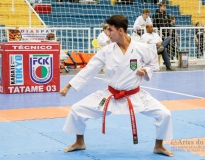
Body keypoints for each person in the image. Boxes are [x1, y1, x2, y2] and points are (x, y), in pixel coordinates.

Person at [59, 14, 173, 157]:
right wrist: (68, 86)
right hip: (111, 95)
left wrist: (145, 70)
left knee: (164, 114)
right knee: (77, 109)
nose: (107, 34)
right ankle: (79, 142)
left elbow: (153, 64)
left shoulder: (141, 48)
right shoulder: (107, 50)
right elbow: (90, 69)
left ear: (120, 31)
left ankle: (159, 145)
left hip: (135, 95)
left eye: (110, 30)